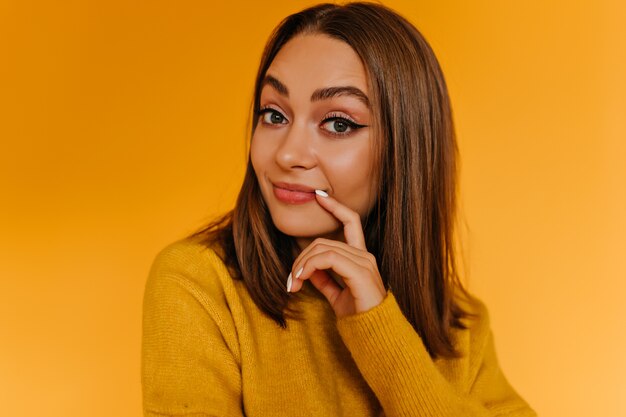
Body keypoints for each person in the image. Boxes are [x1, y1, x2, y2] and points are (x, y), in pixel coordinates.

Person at [141, 2, 537, 416]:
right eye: (274, 115)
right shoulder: (200, 286)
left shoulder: (459, 325)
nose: (288, 154)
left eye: (338, 124)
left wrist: (379, 329)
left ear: (405, 150)